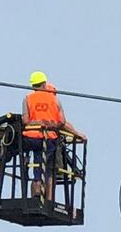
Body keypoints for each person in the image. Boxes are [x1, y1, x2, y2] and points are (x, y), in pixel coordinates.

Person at [22, 71, 86, 199]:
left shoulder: (27, 98)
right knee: (49, 170)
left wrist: (38, 123)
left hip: (30, 139)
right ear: (45, 84)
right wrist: (78, 134)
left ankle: (35, 193)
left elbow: (25, 121)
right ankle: (47, 200)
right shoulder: (55, 100)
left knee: (36, 166)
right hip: (48, 139)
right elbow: (62, 122)